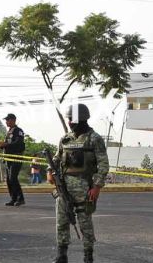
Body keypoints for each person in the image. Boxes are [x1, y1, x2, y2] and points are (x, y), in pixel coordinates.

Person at [48, 104, 109, 263]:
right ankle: (62, 255)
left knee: (85, 224)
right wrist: (50, 172)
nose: (69, 122)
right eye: (68, 119)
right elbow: (56, 158)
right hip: (64, 188)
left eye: (72, 119)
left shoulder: (94, 139)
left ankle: (88, 256)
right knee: (61, 221)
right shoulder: (65, 138)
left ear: (82, 119)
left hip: (85, 188)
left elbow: (103, 165)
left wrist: (96, 187)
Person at [0, 113, 25, 206]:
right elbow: (8, 144)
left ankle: (20, 198)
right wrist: (2, 145)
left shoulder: (18, 131)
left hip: (16, 158)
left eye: (8, 120)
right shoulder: (9, 132)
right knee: (9, 179)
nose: (6, 122)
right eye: (6, 120)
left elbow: (18, 143)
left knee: (13, 177)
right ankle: (13, 198)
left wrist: (6, 145)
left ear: (13, 120)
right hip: (8, 158)